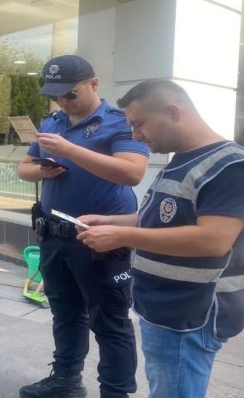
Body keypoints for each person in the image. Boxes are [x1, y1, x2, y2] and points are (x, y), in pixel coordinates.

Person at [75, 79, 244, 398]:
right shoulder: (183, 159)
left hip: (190, 313)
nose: (135, 135)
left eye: (139, 124)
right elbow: (159, 220)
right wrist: (109, 221)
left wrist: (122, 235)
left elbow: (213, 240)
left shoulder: (231, 168)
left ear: (174, 113)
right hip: (166, 307)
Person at [16, 55, 149, 398]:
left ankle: (115, 393)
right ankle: (66, 380)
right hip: (54, 235)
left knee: (110, 320)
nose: (62, 101)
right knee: (65, 312)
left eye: (70, 94)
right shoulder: (53, 122)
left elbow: (132, 172)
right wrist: (41, 170)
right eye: (55, 95)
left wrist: (70, 150)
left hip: (101, 239)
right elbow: (24, 168)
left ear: (94, 84)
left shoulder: (119, 122)